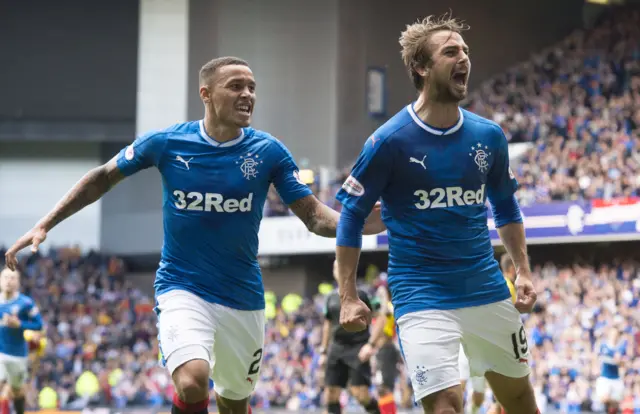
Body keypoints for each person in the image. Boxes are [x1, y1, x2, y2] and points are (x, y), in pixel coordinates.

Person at [4, 57, 385, 414]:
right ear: (206, 94)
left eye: (252, 87)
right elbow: (102, 177)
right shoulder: (167, 142)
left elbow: (315, 218)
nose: (247, 95)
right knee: (191, 381)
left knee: (234, 403)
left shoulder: (268, 152)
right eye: (236, 86)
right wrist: (45, 224)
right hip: (181, 288)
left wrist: (372, 220)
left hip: (243, 298)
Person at [333, 14, 540, 414]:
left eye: (465, 51)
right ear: (421, 68)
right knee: (445, 405)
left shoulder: (488, 137)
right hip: (421, 296)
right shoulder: (388, 141)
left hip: (485, 289)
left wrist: (523, 269)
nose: (463, 58)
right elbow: (351, 215)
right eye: (451, 52)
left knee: (520, 404)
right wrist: (347, 295)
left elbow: (506, 207)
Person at [318, 260, 381, 414]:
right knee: (330, 395)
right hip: (336, 348)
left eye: (340, 266)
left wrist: (371, 345)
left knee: (360, 394)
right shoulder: (330, 297)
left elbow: (381, 318)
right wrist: (324, 351)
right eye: (335, 267)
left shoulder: (364, 293)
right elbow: (327, 324)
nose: (337, 270)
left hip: (358, 347)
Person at [458, 254, 517, 414]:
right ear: (513, 269)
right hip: (482, 346)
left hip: (473, 342)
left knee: (477, 395)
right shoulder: (507, 287)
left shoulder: (482, 284)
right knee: (498, 397)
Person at [0, 268, 43, 414]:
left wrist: (20, 325)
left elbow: (39, 325)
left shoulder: (26, 303)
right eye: (5, 277)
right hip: (1, 352)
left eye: (12, 278)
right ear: (0, 281)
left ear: (18, 282)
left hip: (17, 355)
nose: (8, 281)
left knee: (17, 391)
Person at [359, 280, 400, 414]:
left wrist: (384, 296)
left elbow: (386, 313)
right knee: (381, 388)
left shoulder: (389, 309)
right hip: (381, 352)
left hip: (387, 351)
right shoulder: (380, 312)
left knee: (385, 388)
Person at [595, 327, 627, 414]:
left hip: (616, 378)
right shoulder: (603, 345)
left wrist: (619, 361)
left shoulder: (621, 348)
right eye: (612, 334)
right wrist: (595, 367)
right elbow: (596, 356)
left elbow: (624, 363)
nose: (614, 336)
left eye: (616, 334)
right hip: (605, 377)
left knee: (617, 403)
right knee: (603, 399)